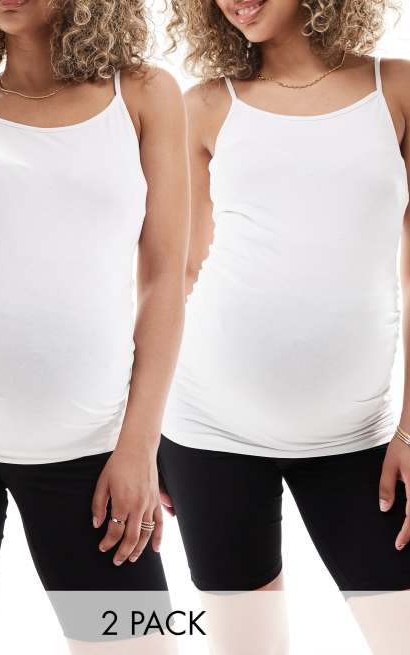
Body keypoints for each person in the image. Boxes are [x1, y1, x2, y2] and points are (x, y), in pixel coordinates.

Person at [0, 1, 188, 653]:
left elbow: (164, 279)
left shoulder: (143, 96)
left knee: (139, 642)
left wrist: (139, 446)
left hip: (87, 448)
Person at [158, 1, 410, 653]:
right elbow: (176, 275)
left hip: (356, 436)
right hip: (205, 428)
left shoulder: (396, 89)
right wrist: (138, 430)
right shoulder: (205, 105)